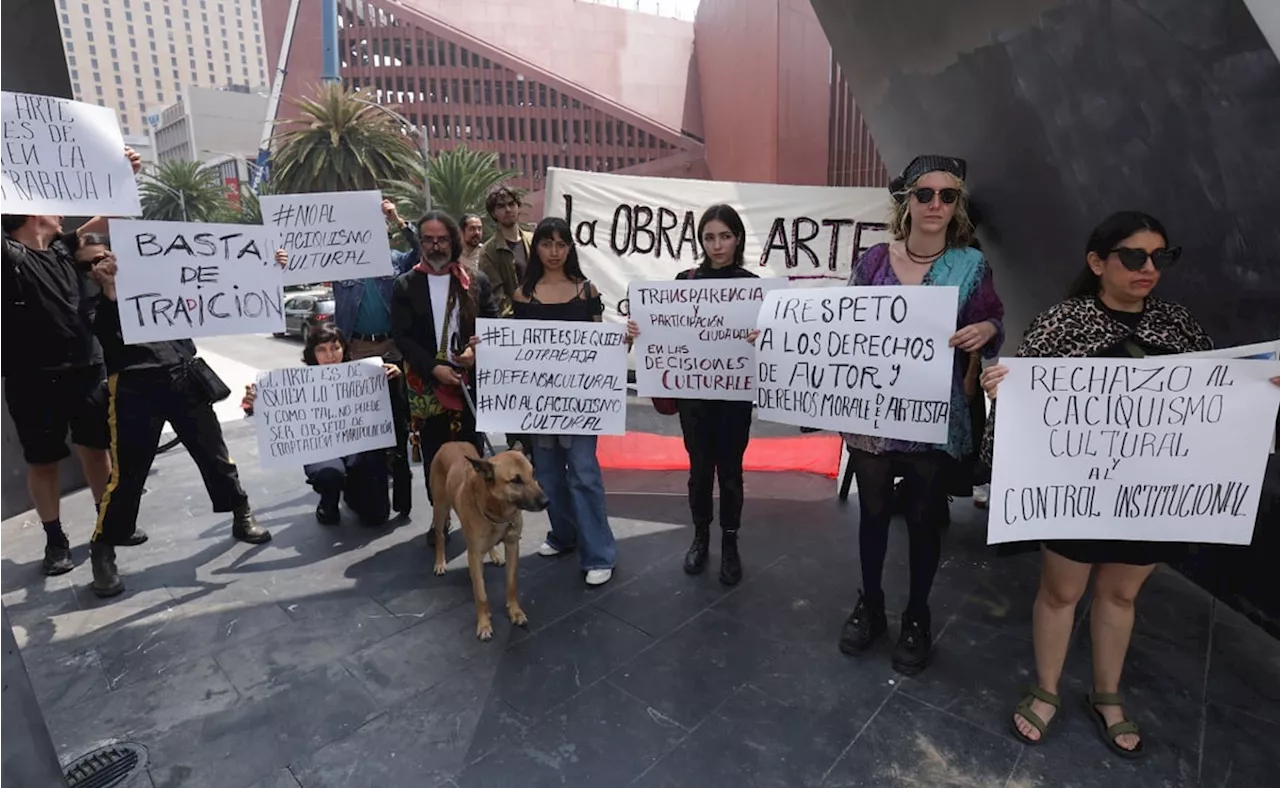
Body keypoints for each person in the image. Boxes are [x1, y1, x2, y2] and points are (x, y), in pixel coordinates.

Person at [982, 211, 1280, 758]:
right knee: (1062, 593)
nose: (1149, 268)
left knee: (1121, 594)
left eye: (1160, 257)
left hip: (1149, 498)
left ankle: (1107, 694)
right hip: (1076, 493)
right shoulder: (1060, 323)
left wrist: (1259, 391)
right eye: (1134, 256)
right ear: (1097, 263)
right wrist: (1003, 389)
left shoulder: (1180, 327)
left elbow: (1212, 406)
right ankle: (1046, 688)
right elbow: (1026, 407)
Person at [835, 155, 1005, 675]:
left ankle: (916, 614)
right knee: (873, 515)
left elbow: (991, 318)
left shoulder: (970, 266)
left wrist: (989, 333)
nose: (935, 204)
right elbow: (839, 324)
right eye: (924, 194)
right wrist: (781, 333)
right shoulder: (872, 261)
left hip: (934, 414)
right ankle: (870, 603)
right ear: (905, 200)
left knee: (927, 519)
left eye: (948, 195)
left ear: (958, 206)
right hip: (873, 413)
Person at [83, 234, 284, 598]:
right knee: (128, 476)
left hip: (182, 378)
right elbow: (103, 332)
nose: (98, 267)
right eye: (88, 264)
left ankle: (241, 511)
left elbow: (221, 279)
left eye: (103, 257)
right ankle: (103, 549)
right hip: (133, 389)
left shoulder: (163, 283)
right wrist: (112, 292)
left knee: (216, 456)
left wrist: (267, 265)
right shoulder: (93, 304)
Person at [0, 147, 139, 576]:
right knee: (43, 461)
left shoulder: (65, 247)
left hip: (86, 369)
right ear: (28, 211)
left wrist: (125, 171)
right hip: (32, 378)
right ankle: (55, 540)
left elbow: (110, 216)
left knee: (96, 451)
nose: (61, 210)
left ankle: (108, 524)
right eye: (50, 202)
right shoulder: (6, 254)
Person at [625, 204, 755, 586]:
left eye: (725, 236)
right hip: (694, 399)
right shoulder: (685, 280)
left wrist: (761, 335)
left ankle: (730, 543)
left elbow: (770, 343)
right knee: (699, 473)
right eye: (710, 237)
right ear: (701, 240)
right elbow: (664, 330)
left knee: (731, 473)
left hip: (733, 398)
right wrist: (639, 329)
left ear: (738, 239)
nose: (717, 245)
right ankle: (701, 536)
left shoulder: (752, 284)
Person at [509, 217, 618, 586]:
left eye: (561, 244)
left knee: (584, 474)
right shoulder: (523, 295)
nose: (554, 252)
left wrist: (625, 343)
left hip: (582, 403)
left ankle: (599, 553)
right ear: (536, 247)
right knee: (550, 476)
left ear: (570, 248)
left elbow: (601, 344)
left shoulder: (586, 291)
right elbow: (516, 349)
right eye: (546, 243)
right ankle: (564, 534)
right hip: (540, 403)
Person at [391, 210, 498, 541]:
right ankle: (441, 519)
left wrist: (475, 352)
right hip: (426, 386)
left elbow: (491, 324)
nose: (435, 246)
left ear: (454, 240)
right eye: (428, 240)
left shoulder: (475, 281)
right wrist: (433, 368)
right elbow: (402, 336)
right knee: (436, 459)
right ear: (420, 242)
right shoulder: (406, 285)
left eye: (442, 239)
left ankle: (477, 515)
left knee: (471, 455)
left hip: (467, 386)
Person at [243, 324, 401, 527]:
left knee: (376, 517)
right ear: (312, 353)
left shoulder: (366, 375)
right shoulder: (296, 384)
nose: (330, 355)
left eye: (335, 348)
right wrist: (255, 402)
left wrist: (396, 379)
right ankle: (328, 501)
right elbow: (274, 415)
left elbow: (394, 408)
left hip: (359, 447)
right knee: (329, 475)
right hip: (322, 450)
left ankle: (353, 491)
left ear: (344, 348)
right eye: (322, 349)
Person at [330, 198, 418, 517]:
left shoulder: (396, 260)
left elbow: (424, 254)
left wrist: (398, 220)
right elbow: (299, 264)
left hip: (392, 349)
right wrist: (282, 259)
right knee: (365, 423)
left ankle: (403, 488)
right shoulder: (339, 264)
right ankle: (368, 488)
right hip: (357, 351)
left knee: (398, 420)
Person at [478, 187, 533, 316]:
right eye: (501, 206)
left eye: (511, 204)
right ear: (493, 213)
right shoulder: (488, 252)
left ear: (518, 207)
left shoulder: (534, 241)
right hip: (514, 323)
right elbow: (497, 296)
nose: (508, 210)